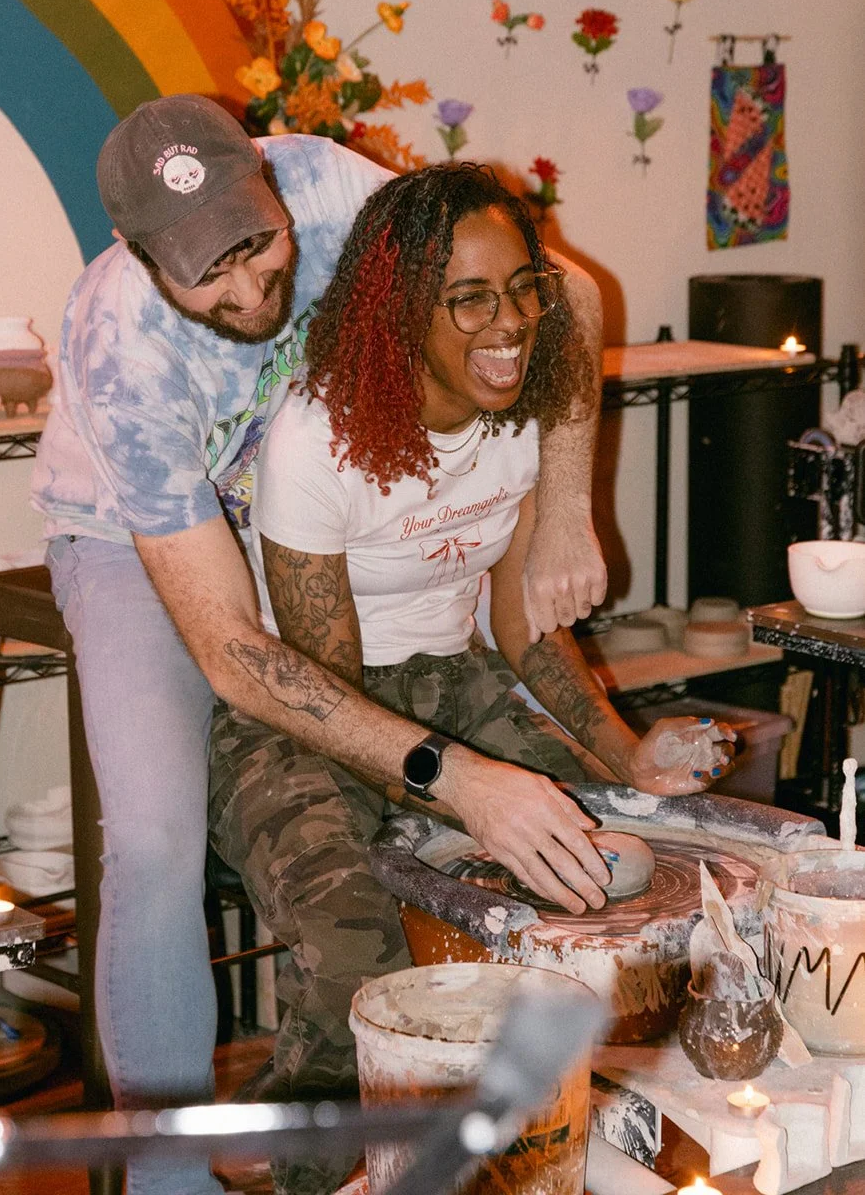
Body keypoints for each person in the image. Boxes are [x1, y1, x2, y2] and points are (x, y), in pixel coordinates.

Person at [31, 98, 609, 1195]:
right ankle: (167, 1183)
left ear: (274, 189)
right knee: (155, 839)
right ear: (138, 256)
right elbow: (233, 652)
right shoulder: (118, 351)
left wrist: (566, 517)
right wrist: (454, 775)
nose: (251, 289)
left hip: (288, 486)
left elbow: (565, 292)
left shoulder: (334, 185)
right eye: (210, 275)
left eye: (260, 245)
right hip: (136, 529)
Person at [209, 164, 735, 1195]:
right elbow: (325, 692)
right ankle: (319, 1173)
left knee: (627, 867)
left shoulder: (520, 414)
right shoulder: (318, 440)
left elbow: (518, 625)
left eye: (522, 291)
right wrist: (453, 813)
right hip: (308, 718)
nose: (510, 325)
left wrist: (621, 753)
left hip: (457, 680)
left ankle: (564, 1151)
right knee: (353, 940)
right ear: (401, 309)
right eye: (470, 298)